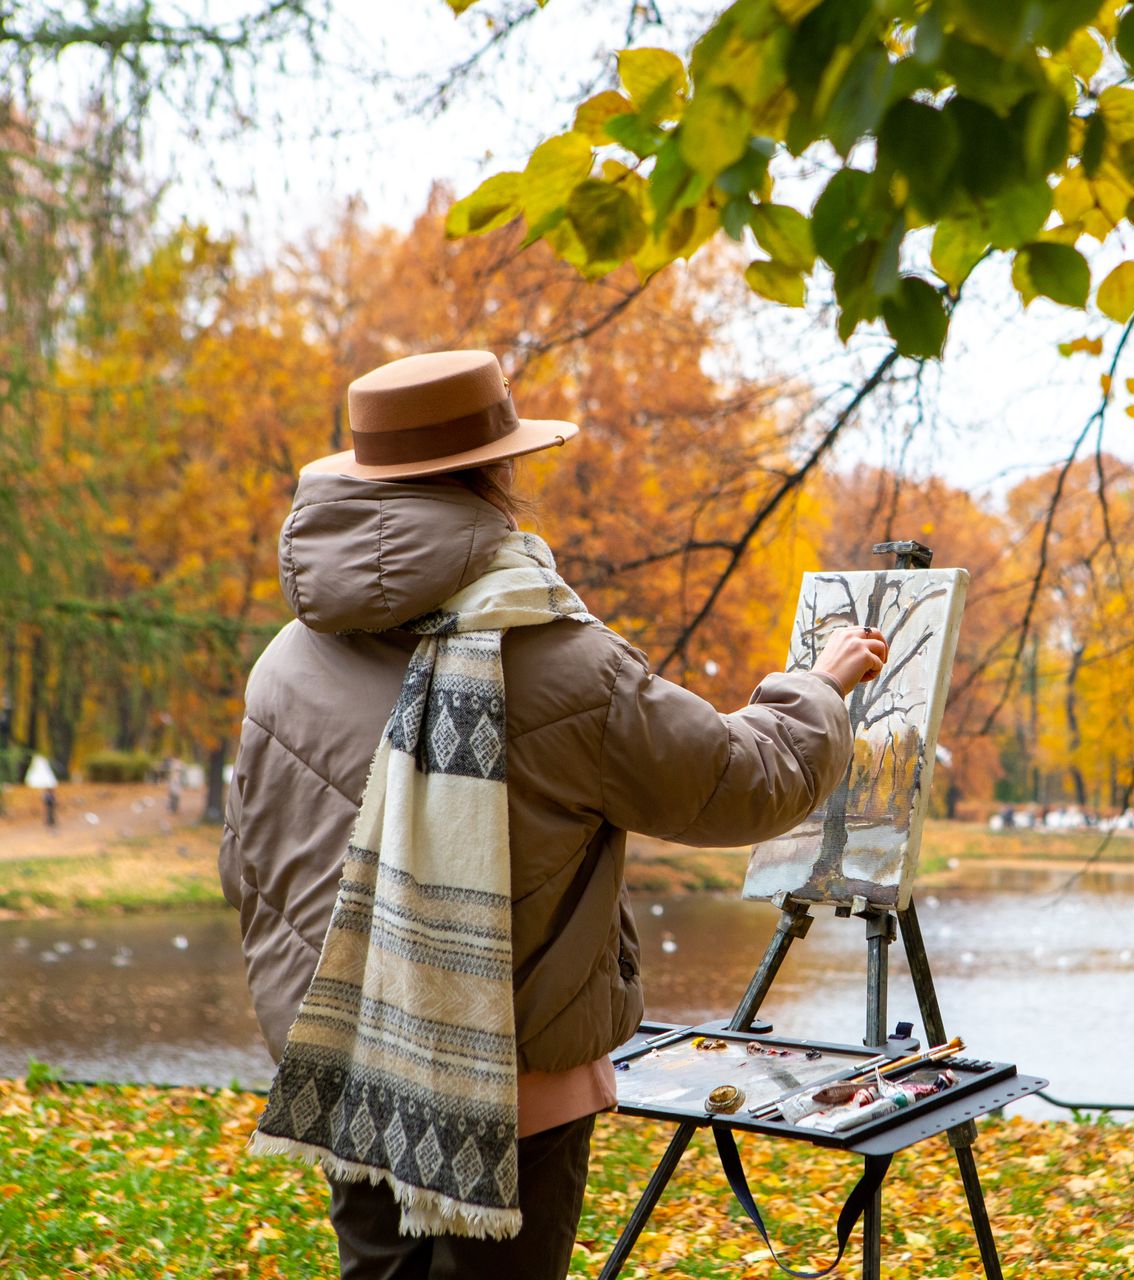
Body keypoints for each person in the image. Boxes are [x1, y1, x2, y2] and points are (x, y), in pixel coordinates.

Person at [219, 350, 881, 1279]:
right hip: (518, 1091)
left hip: (345, 1078)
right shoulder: (560, 659)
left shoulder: (284, 662)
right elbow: (743, 782)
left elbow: (244, 862)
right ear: (495, 477)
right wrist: (817, 686)